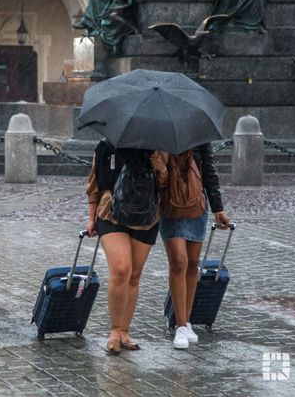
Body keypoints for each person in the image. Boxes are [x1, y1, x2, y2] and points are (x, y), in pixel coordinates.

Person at [86, 143, 168, 354]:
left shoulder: (158, 146)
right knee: (121, 269)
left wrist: (161, 168)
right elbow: (95, 183)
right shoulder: (107, 145)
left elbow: (166, 186)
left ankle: (124, 330)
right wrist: (90, 217)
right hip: (111, 211)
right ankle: (114, 330)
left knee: (134, 276)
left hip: (146, 216)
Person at [159, 143, 230, 349]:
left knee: (192, 264)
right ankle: (180, 324)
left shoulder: (199, 136)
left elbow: (209, 170)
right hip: (169, 205)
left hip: (195, 205)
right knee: (178, 262)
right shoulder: (158, 138)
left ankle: (187, 321)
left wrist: (218, 208)